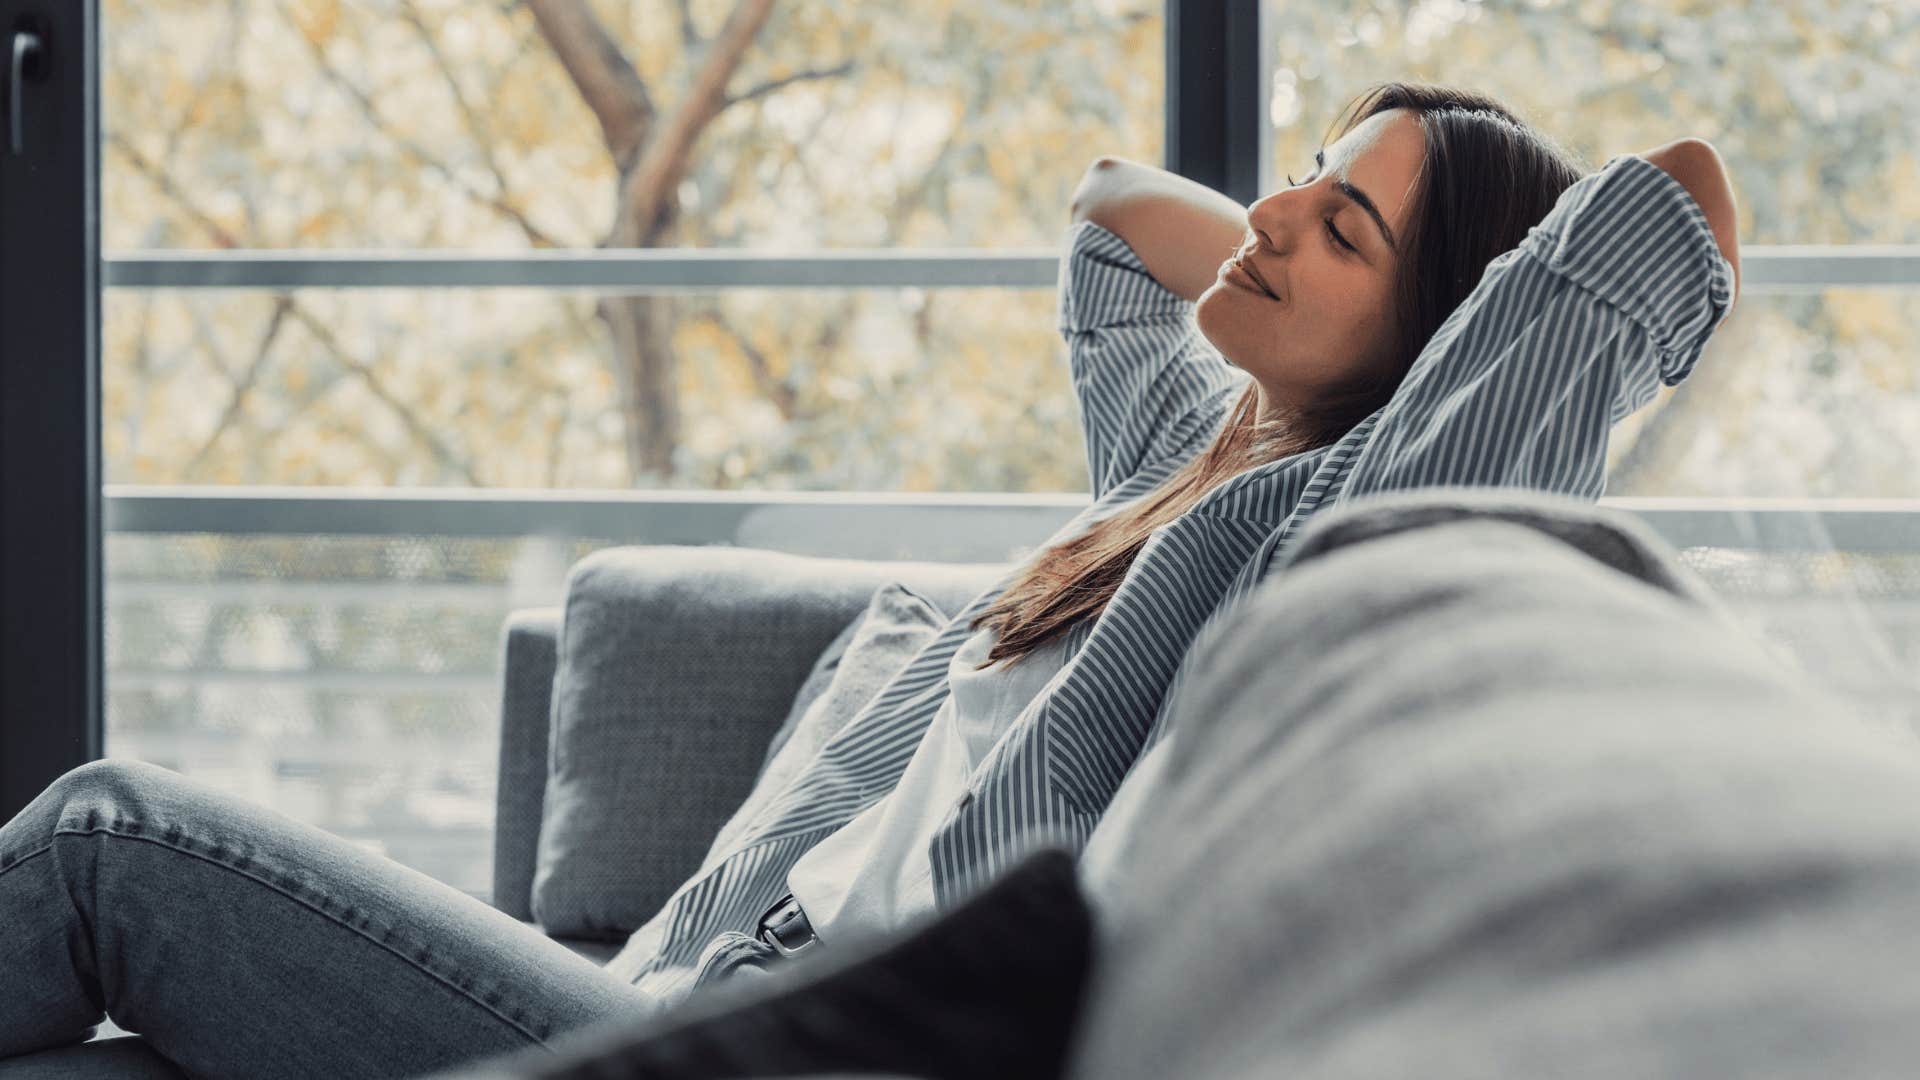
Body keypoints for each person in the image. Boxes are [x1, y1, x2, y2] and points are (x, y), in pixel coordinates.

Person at [0, 82, 1738, 1077]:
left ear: (1445, 349)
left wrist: (1420, 313)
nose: (1276, 219)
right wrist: (1320, 246)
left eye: (1341, 227)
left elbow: (1676, 203)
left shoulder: (1335, 525)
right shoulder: (1180, 467)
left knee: (108, 841)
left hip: (796, 1046)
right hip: (673, 991)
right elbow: (1112, 213)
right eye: (1297, 174)